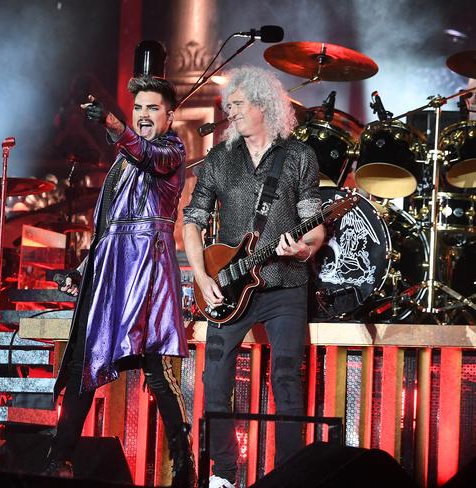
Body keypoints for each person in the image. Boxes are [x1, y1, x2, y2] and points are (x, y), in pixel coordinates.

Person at [43, 76, 195, 487]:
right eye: (139, 108)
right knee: (83, 361)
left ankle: (184, 466)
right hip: (110, 268)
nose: (144, 115)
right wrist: (81, 270)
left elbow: (147, 154)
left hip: (146, 264)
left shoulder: (171, 150)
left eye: (153, 108)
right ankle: (60, 459)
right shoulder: (122, 162)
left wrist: (112, 125)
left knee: (157, 368)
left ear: (169, 115)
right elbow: (108, 225)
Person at [183, 66, 326, 488]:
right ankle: (223, 474)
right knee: (215, 378)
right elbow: (192, 219)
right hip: (227, 285)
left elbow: (313, 226)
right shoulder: (220, 158)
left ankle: (288, 476)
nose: (231, 111)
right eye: (229, 105)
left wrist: (304, 247)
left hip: (285, 285)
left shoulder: (298, 156)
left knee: (285, 378)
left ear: (263, 104)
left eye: (239, 104)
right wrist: (200, 274)